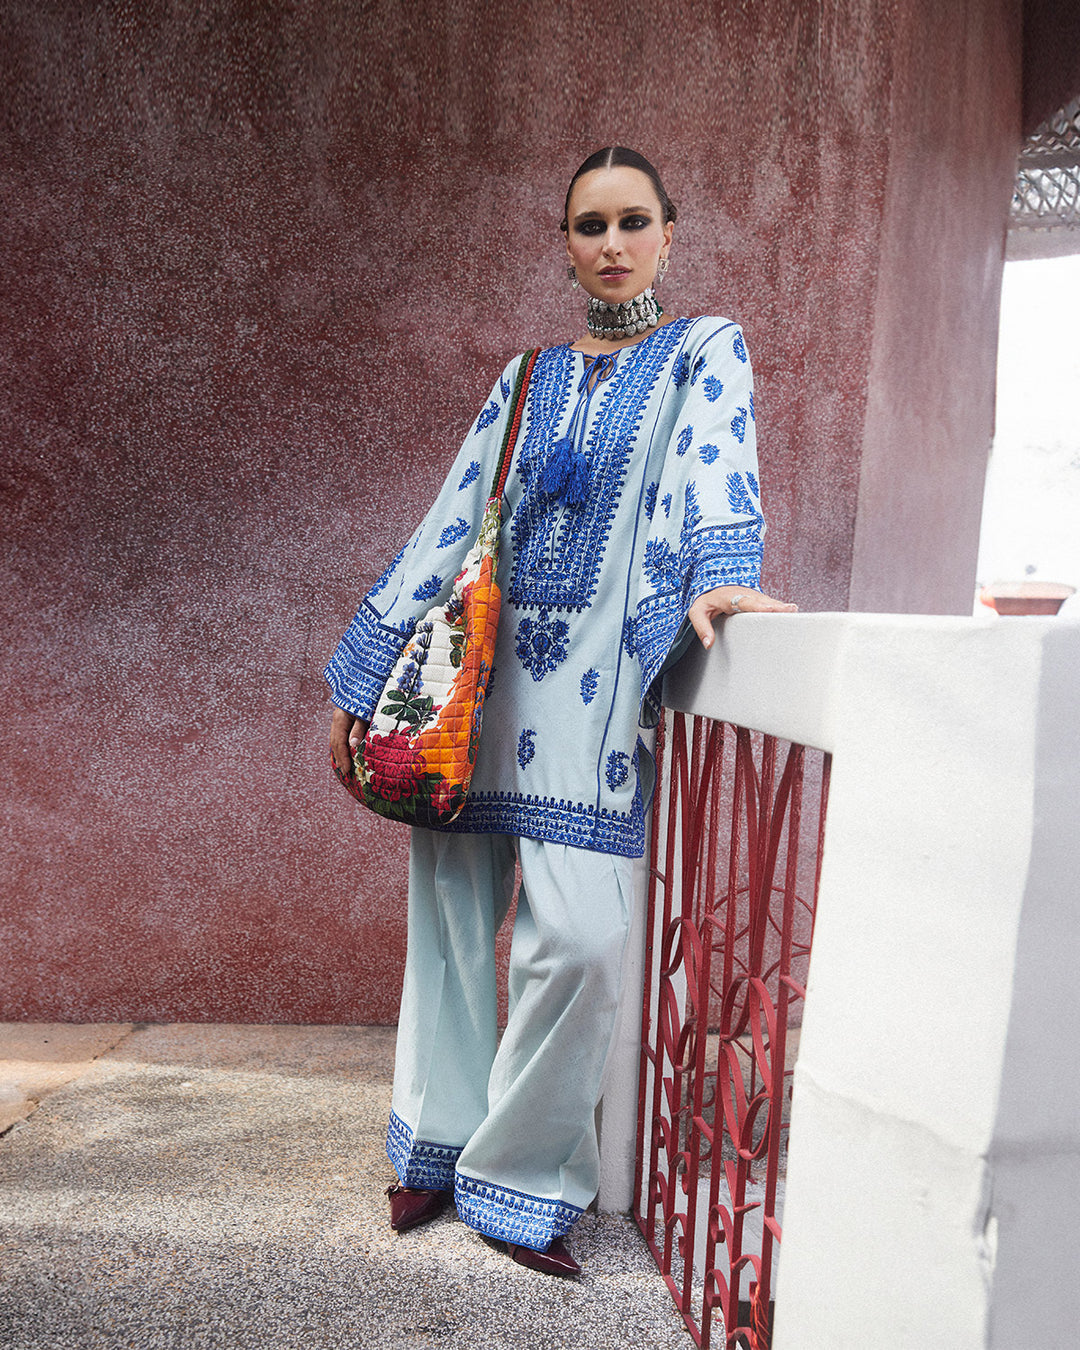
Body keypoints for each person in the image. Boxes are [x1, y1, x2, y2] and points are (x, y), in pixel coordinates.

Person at [326, 146, 796, 1278]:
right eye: (591, 225)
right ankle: (436, 1150)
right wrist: (363, 674)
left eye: (635, 221)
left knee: (581, 939)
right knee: (449, 930)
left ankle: (520, 1176)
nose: (614, 243)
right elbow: (451, 518)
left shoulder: (703, 351)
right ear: (567, 244)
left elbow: (716, 460)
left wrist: (721, 575)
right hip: (474, 694)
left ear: (671, 234)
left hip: (593, 694)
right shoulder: (526, 376)